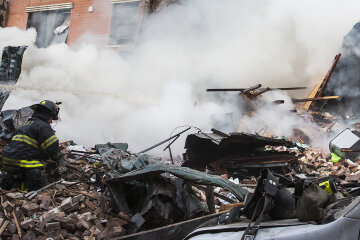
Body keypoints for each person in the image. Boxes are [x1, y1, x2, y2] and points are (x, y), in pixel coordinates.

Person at [1, 100, 61, 191]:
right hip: (23, 163)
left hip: (8, 161)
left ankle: (10, 185)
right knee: (41, 187)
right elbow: (53, 150)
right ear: (49, 115)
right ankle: (28, 191)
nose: (51, 122)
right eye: (51, 118)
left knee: (14, 177)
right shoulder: (44, 127)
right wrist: (61, 159)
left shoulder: (26, 125)